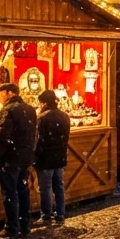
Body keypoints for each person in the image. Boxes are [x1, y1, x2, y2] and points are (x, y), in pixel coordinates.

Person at [0, 83, 37, 238]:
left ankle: (12, 226)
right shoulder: (30, 109)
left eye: (1, 94)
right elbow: (33, 135)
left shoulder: (8, 110)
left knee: (10, 193)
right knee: (23, 192)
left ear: (9, 93)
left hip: (11, 158)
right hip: (24, 157)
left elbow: (3, 137)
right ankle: (25, 224)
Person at [35, 90, 71, 226]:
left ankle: (46, 215)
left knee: (45, 188)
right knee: (59, 186)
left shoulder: (42, 118)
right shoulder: (64, 116)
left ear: (43, 103)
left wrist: (36, 156)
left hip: (46, 158)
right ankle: (60, 214)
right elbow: (66, 136)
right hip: (59, 155)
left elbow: (39, 141)